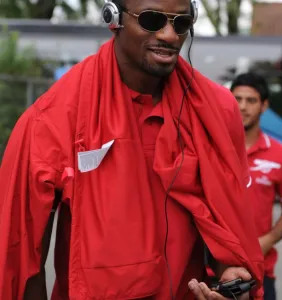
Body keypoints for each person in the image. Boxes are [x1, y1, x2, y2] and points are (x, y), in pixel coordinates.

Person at [0, 0, 264, 299]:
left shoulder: (215, 110)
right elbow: (21, 253)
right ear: (114, 18)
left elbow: (224, 221)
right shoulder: (54, 116)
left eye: (181, 23)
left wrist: (229, 275)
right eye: (152, 20)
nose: (169, 35)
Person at [230, 73, 282, 300]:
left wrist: (265, 242)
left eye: (251, 100)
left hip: (259, 271)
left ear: (264, 105)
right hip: (209, 270)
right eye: (237, 99)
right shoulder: (210, 149)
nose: (243, 107)